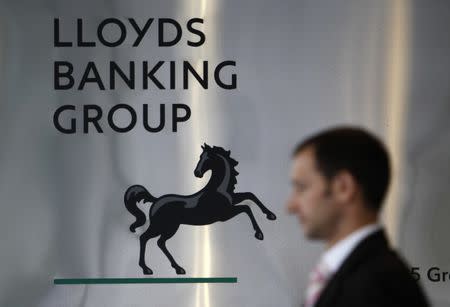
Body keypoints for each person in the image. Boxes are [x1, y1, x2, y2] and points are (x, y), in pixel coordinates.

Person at [287, 126, 429, 307]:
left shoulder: (376, 287)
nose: (290, 206)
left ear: (344, 188)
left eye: (302, 188)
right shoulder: (357, 275)